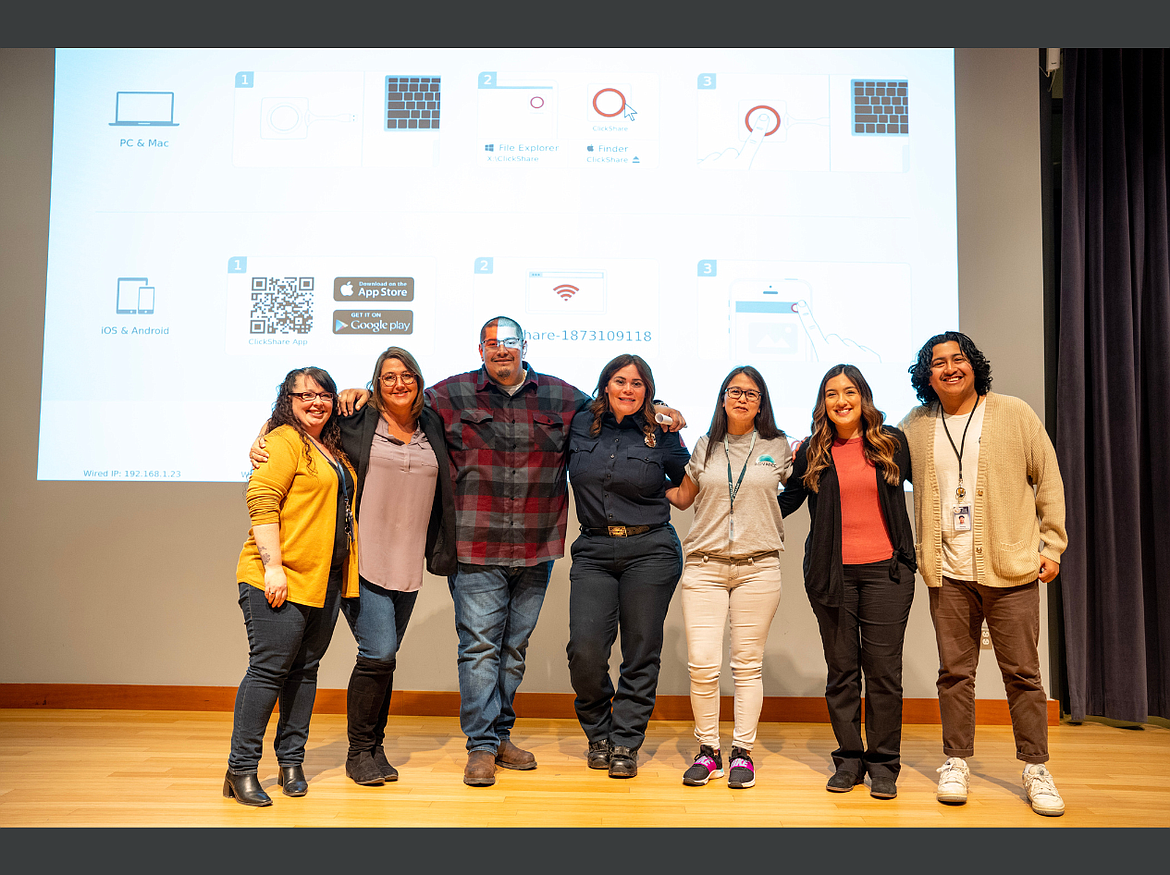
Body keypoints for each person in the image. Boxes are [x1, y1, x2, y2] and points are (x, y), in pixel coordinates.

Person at [251, 348, 457, 787]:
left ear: (419, 382)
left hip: (408, 563)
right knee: (378, 653)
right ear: (375, 384)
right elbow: (302, 424)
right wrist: (262, 432)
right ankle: (359, 752)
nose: (398, 384)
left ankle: (375, 746)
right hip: (363, 561)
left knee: (385, 660)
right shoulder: (359, 419)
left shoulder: (431, 426)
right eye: (387, 377)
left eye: (407, 376)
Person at [901, 331, 1068, 817]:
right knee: (955, 674)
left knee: (1023, 674)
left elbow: (1049, 477)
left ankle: (1036, 766)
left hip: (1009, 566)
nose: (950, 368)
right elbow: (878, 455)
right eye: (938, 363)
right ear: (926, 375)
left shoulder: (1012, 412)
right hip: (947, 571)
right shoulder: (915, 425)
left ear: (974, 365)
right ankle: (955, 761)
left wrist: (1052, 544)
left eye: (959, 359)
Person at [778, 364, 916, 800]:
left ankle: (883, 765)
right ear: (823, 403)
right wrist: (733, 499)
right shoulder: (812, 452)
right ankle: (850, 761)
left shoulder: (891, 442)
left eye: (850, 391)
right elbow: (784, 503)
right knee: (842, 673)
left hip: (887, 575)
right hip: (831, 576)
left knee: (883, 675)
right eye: (832, 393)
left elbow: (937, 484)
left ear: (864, 397)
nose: (841, 400)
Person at [225, 367, 358, 807]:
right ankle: (241, 769)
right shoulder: (282, 441)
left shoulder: (329, 445)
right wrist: (273, 567)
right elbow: (261, 499)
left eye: (324, 395)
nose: (315, 402)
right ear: (288, 399)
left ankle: (291, 761)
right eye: (305, 395)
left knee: (305, 670)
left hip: (325, 579)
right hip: (280, 576)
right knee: (268, 671)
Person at [665, 366, 792, 789]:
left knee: (746, 666)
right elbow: (684, 498)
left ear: (761, 403)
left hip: (759, 568)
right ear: (722, 399)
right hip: (705, 566)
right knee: (702, 665)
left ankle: (742, 753)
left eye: (751, 393)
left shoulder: (780, 446)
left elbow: (800, 490)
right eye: (734, 391)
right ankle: (708, 752)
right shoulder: (705, 446)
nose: (742, 398)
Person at [565, 355, 688, 779]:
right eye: (621, 381)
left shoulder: (662, 432)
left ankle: (625, 742)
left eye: (638, 383)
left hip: (650, 550)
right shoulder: (579, 423)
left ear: (648, 390)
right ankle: (598, 733)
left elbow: (687, 488)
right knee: (585, 650)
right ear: (605, 385)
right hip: (595, 550)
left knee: (640, 652)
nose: (628, 389)